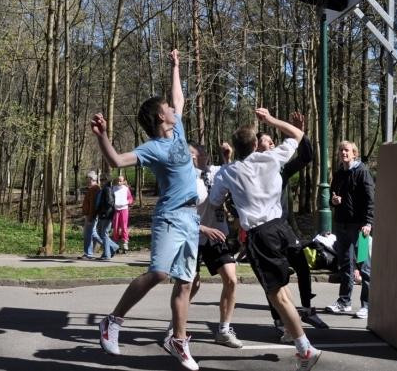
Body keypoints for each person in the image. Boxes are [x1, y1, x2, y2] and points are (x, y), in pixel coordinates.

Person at [91, 49, 201, 370]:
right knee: (159, 273)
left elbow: (178, 98)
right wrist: (103, 136)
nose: (171, 108)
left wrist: (176, 67)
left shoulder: (177, 126)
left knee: (185, 281)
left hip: (191, 217)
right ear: (159, 118)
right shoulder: (152, 148)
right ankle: (112, 321)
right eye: (166, 108)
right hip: (170, 217)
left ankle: (177, 340)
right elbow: (116, 161)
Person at [210, 108, 322, 371]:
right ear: (254, 145)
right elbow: (297, 134)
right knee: (282, 291)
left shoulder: (229, 171)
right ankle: (294, 335)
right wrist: (272, 120)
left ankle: (305, 349)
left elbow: (215, 201)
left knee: (277, 295)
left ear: (236, 148)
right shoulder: (272, 158)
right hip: (281, 227)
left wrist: (226, 165)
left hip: (260, 235)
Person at [256, 113, 328, 339]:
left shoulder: (281, 169)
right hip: (265, 231)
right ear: (256, 147)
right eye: (266, 142)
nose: (271, 144)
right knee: (276, 278)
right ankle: (279, 320)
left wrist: (298, 132)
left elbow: (307, 156)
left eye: (271, 141)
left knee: (302, 266)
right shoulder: (251, 169)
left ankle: (306, 309)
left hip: (286, 227)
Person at [168, 143, 242, 348]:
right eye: (198, 153)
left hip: (217, 235)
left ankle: (224, 330)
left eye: (205, 153)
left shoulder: (217, 171)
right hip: (192, 235)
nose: (204, 156)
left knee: (231, 279)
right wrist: (202, 228)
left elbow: (234, 174)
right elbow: (178, 214)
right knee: (191, 284)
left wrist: (228, 157)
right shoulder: (184, 179)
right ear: (190, 157)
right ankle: (176, 324)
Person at [326, 141, 374, 320]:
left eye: (346, 150)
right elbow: (332, 196)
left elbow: (370, 199)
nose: (343, 153)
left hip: (360, 227)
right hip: (342, 225)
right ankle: (344, 302)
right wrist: (334, 201)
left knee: (364, 265)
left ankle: (367, 305)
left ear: (354, 153)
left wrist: (368, 223)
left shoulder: (362, 172)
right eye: (340, 150)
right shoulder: (338, 174)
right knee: (346, 265)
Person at [79, 171, 102, 260]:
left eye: (88, 179)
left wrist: (90, 216)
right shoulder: (93, 188)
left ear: (92, 179)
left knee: (88, 234)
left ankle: (88, 254)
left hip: (91, 215)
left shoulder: (94, 189)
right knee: (93, 233)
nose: (87, 181)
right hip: (90, 214)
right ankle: (111, 246)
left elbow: (93, 204)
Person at [111, 175, 134, 253]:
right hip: (116, 209)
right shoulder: (113, 188)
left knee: (124, 227)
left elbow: (130, 199)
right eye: (118, 180)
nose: (119, 182)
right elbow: (111, 198)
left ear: (124, 181)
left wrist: (126, 202)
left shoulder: (126, 189)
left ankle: (125, 244)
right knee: (116, 227)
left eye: (120, 181)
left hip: (124, 209)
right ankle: (115, 244)